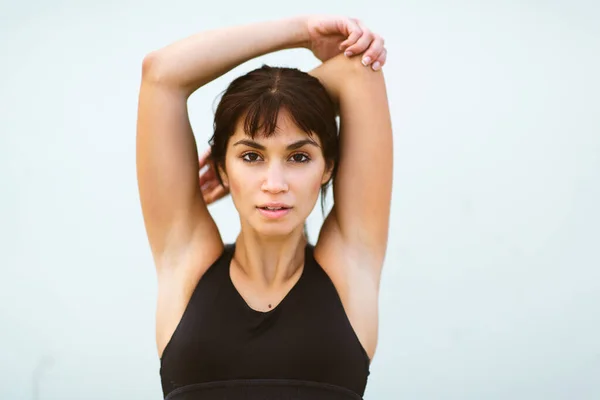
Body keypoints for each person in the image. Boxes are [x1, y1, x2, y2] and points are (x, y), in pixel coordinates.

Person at [136, 14, 393, 400]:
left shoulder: (349, 270)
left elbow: (359, 74)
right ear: (223, 168)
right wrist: (302, 33)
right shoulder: (187, 261)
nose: (275, 184)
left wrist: (271, 101)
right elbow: (161, 73)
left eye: (300, 157)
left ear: (329, 169)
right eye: (252, 157)